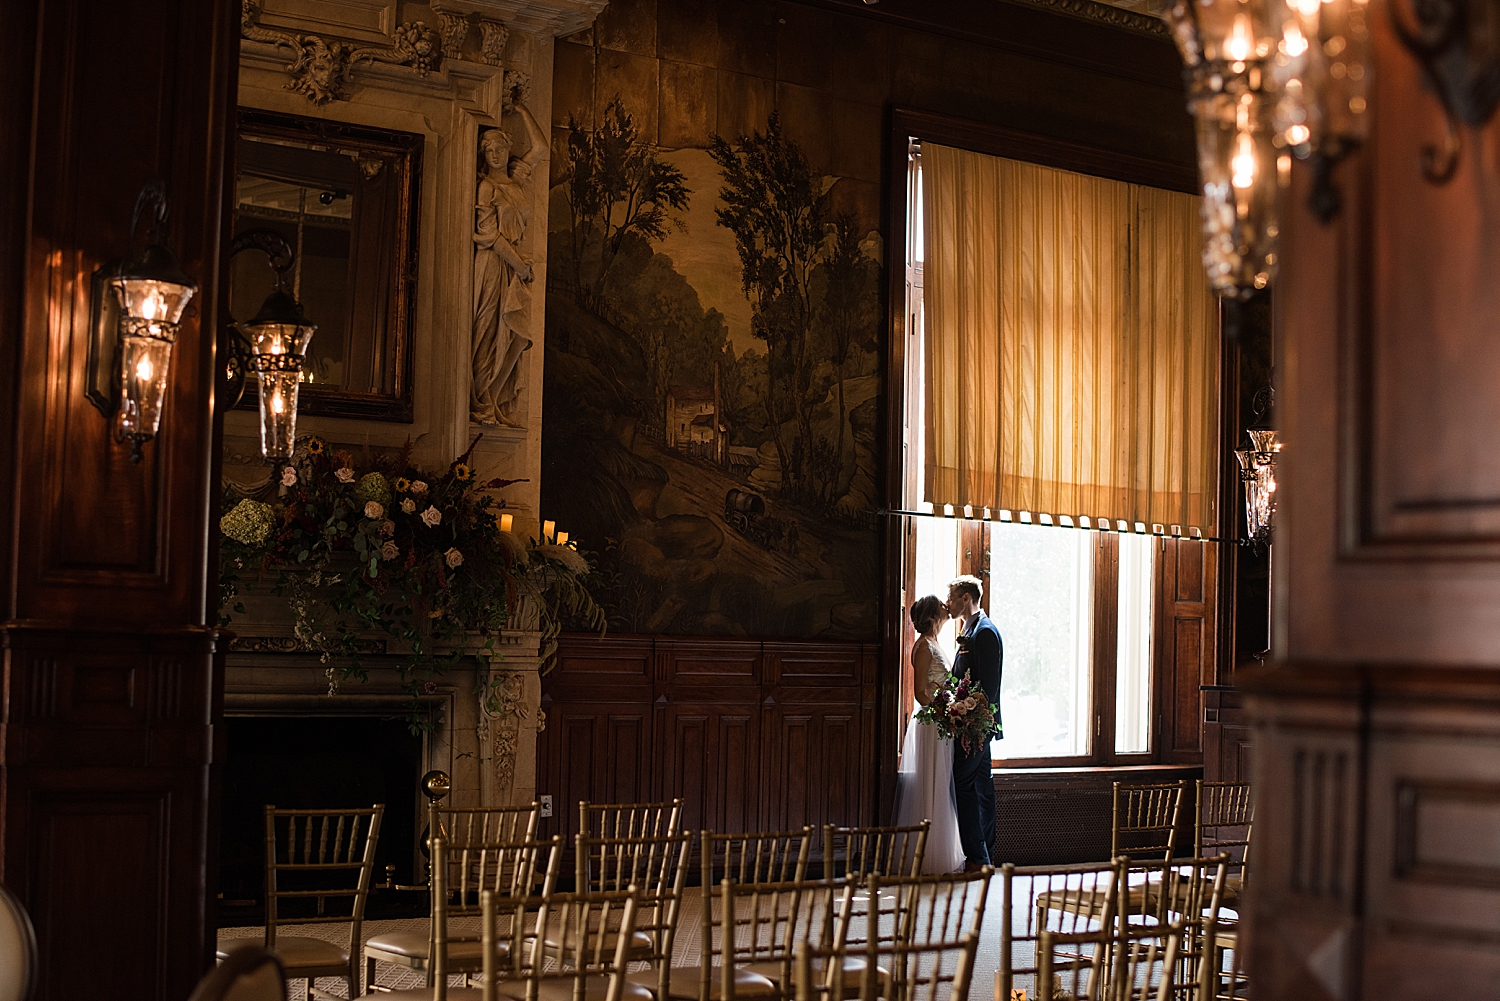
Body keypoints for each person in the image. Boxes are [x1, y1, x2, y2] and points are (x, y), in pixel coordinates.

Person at [470, 101, 547, 427]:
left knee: (517, 335)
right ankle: (484, 404)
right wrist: (520, 266)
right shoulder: (486, 187)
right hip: (493, 264)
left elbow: (541, 147)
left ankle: (494, 399)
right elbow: (488, 236)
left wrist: (522, 109)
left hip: (514, 264)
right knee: (488, 333)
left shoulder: (516, 179)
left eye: (500, 148)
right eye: (489, 151)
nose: (496, 155)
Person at [893, 594, 967, 874]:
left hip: (940, 723)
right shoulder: (923, 646)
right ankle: (926, 857)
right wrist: (947, 710)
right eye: (942, 606)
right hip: (931, 723)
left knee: (940, 783)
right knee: (931, 785)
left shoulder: (935, 643)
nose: (947, 608)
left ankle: (940, 852)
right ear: (933, 615)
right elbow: (920, 694)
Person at [946, 574, 1003, 872]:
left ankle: (978, 858)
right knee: (982, 787)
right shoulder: (972, 630)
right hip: (974, 725)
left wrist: (972, 725)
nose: (948, 604)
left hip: (977, 727)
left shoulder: (985, 633)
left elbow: (989, 689)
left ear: (966, 598)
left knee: (962, 783)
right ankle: (985, 857)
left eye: (952, 598)